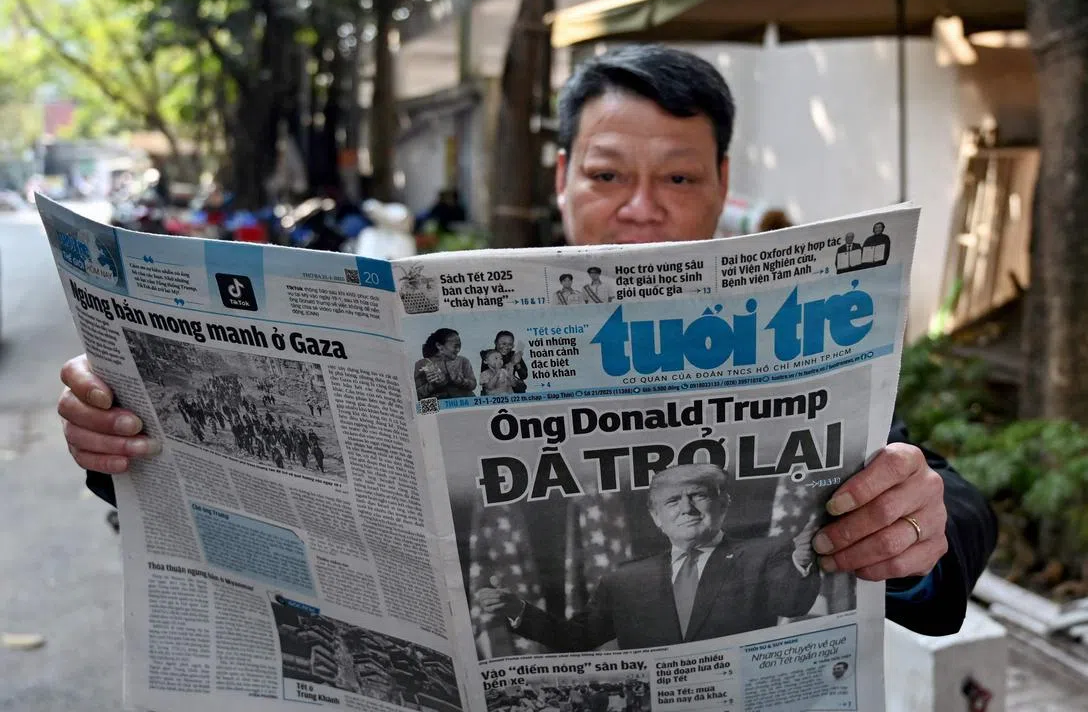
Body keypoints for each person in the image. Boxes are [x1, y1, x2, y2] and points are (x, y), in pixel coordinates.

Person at [57, 43, 994, 638]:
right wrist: (118, 441)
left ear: (721, 184)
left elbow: (950, 504)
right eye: (608, 173)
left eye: (678, 178)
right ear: (561, 178)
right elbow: (251, 480)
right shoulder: (448, 318)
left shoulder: (785, 324)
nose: (641, 209)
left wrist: (914, 533)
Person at [477, 464, 819, 650]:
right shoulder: (624, 579)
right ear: (657, 518)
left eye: (697, 496)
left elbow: (791, 605)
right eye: (673, 502)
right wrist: (516, 610)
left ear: (723, 504)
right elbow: (576, 639)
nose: (686, 508)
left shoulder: (764, 554)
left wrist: (801, 563)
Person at [413, 328, 477, 400]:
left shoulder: (463, 361)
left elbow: (473, 385)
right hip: (437, 407)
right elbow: (416, 395)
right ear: (439, 346)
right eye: (455, 346)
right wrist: (433, 386)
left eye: (460, 346)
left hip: (464, 404)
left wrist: (459, 380)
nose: (458, 350)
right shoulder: (422, 364)